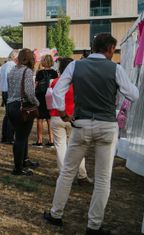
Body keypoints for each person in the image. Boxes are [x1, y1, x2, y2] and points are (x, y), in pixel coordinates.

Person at [44, 33, 139, 234]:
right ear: (110, 49)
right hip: (106, 125)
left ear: (93, 47)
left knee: (68, 171)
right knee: (103, 178)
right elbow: (133, 94)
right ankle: (94, 225)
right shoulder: (116, 68)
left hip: (82, 122)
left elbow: (58, 91)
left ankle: (56, 214)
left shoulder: (75, 66)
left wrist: (62, 111)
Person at [47, 57, 90, 184]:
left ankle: (64, 175)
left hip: (56, 116)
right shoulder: (79, 82)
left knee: (60, 147)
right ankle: (82, 174)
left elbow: (49, 100)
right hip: (74, 117)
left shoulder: (54, 82)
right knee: (78, 146)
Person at [6, 48, 40, 176]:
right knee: (21, 138)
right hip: (22, 107)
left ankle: (24, 161)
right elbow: (29, 92)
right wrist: (37, 103)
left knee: (21, 136)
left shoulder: (12, 70)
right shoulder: (27, 71)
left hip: (11, 105)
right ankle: (18, 168)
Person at [34, 54, 57, 148]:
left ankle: (39, 140)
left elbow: (36, 85)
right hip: (50, 96)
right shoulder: (55, 73)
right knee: (49, 118)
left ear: (44, 61)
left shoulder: (39, 73)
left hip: (40, 96)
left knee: (39, 119)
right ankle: (51, 140)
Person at [0, 50, 18, 144]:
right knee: (11, 115)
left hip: (4, 91)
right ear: (15, 57)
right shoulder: (12, 66)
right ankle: (9, 138)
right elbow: (11, 79)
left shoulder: (4, 65)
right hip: (10, 92)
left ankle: (5, 136)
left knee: (7, 115)